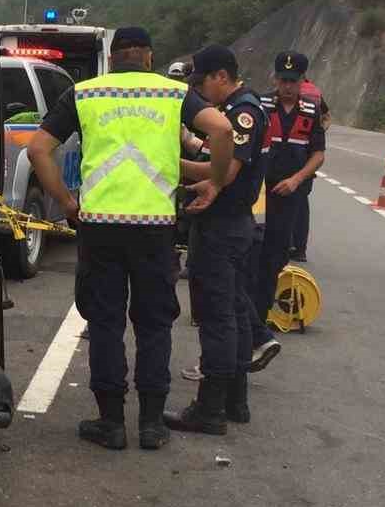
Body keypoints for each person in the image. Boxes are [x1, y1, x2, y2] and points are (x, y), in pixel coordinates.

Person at [27, 26, 233, 452]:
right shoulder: (171, 93)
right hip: (155, 228)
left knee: (105, 323)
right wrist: (213, 182)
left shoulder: (84, 94)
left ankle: (112, 422)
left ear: (113, 56)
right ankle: (153, 424)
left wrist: (67, 202)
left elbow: (37, 150)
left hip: (100, 226)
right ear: (149, 57)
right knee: (154, 324)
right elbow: (222, 130)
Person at [164, 45, 269, 434]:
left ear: (220, 76)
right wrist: (190, 143)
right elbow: (214, 157)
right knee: (234, 314)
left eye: (202, 81)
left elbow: (223, 173)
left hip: (223, 226)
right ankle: (234, 401)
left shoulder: (241, 112)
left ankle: (210, 409)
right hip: (233, 225)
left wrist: (166, 161)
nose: (200, 90)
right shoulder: (236, 110)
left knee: (216, 317)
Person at [251, 51, 324, 349]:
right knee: (250, 252)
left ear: (302, 81)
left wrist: (296, 179)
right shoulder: (260, 105)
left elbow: (318, 153)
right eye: (283, 80)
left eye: (293, 81)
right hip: (257, 192)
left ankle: (261, 315)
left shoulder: (310, 110)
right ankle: (250, 317)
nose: (287, 86)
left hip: (289, 193)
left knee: (276, 255)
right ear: (275, 78)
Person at [290, 78, 330, 261]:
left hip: (291, 156)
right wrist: (320, 131)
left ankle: (287, 244)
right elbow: (327, 116)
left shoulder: (286, 95)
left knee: (283, 204)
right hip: (306, 158)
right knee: (301, 204)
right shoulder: (316, 91)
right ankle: (299, 248)